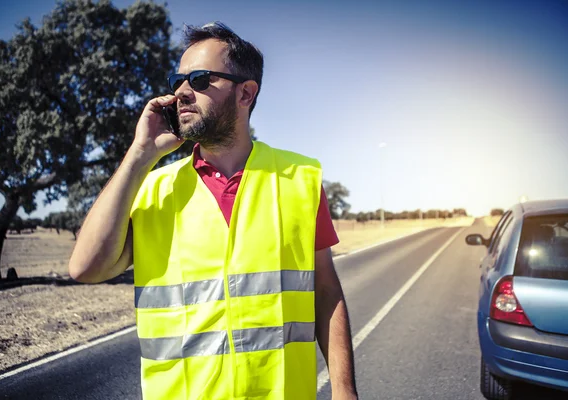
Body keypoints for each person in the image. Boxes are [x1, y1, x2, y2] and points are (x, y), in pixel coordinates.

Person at [69, 21, 357, 400]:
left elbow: (325, 290)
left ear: (246, 93)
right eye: (178, 80)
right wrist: (140, 155)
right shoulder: (152, 187)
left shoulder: (299, 178)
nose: (181, 93)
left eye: (201, 79)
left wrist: (343, 389)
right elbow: (85, 268)